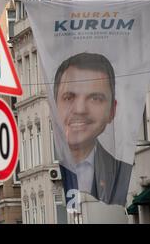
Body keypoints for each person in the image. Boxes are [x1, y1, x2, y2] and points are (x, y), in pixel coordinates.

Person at [53, 52, 132, 205]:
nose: (80, 109)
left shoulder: (121, 172)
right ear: (54, 106)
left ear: (112, 111)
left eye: (95, 98)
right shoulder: (43, 171)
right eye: (69, 97)